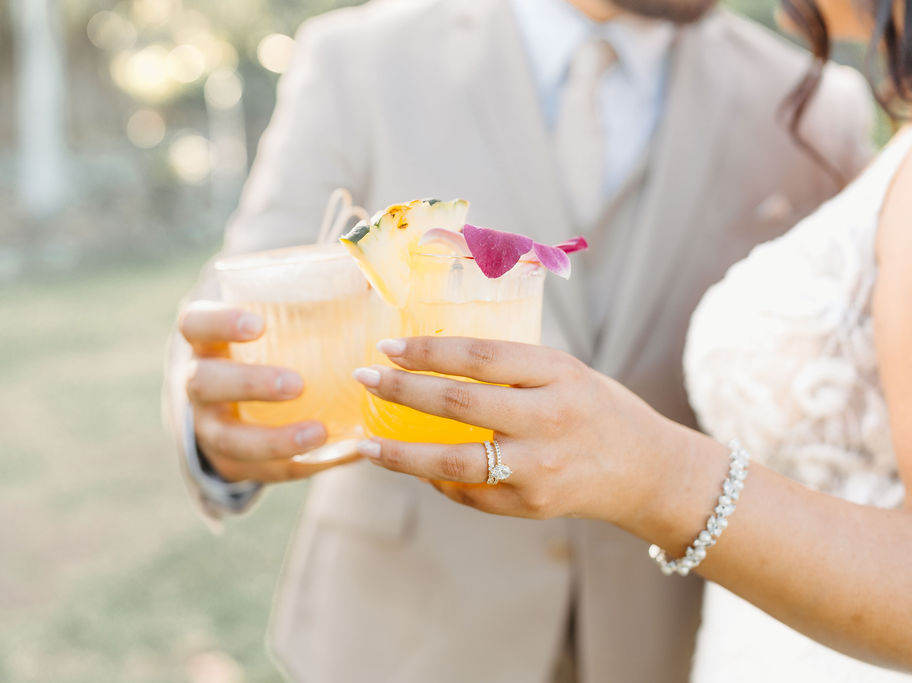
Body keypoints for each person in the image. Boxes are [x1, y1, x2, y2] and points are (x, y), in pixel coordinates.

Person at [163, 0, 874, 680]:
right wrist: (214, 425)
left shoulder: (813, 105)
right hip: (401, 637)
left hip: (671, 643)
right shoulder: (356, 57)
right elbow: (247, 293)